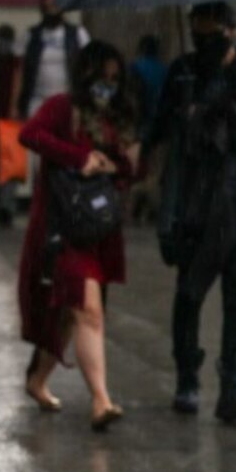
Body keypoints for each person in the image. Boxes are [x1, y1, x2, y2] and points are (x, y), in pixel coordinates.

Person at [146, 1, 236, 422]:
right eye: (197, 29)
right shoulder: (184, 72)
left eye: (212, 29)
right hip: (195, 203)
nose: (204, 37)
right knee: (189, 293)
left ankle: (234, 386)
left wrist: (228, 109)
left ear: (232, 30)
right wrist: (185, 114)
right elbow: (161, 127)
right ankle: (187, 379)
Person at [16, 41, 139, 433]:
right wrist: (78, 157)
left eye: (114, 79)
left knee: (70, 313)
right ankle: (101, 400)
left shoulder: (118, 118)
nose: (107, 86)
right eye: (102, 77)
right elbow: (30, 135)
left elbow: (129, 171)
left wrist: (115, 164)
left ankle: (37, 379)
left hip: (97, 228)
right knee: (88, 309)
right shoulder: (62, 107)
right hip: (64, 227)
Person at [14, 0, 90, 119]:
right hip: (37, 100)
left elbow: (89, 67)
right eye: (46, 7)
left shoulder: (77, 34)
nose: (50, 10)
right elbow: (19, 72)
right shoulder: (30, 35)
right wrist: (14, 104)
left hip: (67, 100)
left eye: (54, 6)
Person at [127, 34, 167, 223]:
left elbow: (134, 98)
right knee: (154, 169)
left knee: (138, 168)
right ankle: (149, 209)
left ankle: (137, 206)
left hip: (142, 123)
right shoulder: (165, 70)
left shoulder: (136, 68)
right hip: (161, 124)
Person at [0, 24, 23, 228]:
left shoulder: (16, 63)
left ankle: (6, 206)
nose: (3, 44)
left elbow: (19, 86)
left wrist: (15, 109)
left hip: (10, 120)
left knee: (10, 167)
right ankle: (2, 204)